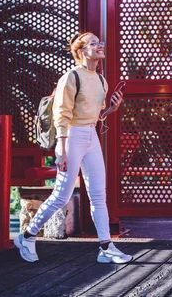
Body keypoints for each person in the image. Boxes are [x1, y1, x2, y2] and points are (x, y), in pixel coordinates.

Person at [14, 32, 132, 264]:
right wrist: (62, 148)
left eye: (100, 42)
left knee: (99, 194)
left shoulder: (101, 80)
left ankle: (106, 247)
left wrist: (111, 110)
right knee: (61, 195)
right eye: (93, 43)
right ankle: (27, 236)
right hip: (71, 135)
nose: (100, 46)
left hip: (90, 135)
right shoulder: (71, 77)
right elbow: (62, 114)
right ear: (81, 51)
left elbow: (96, 115)